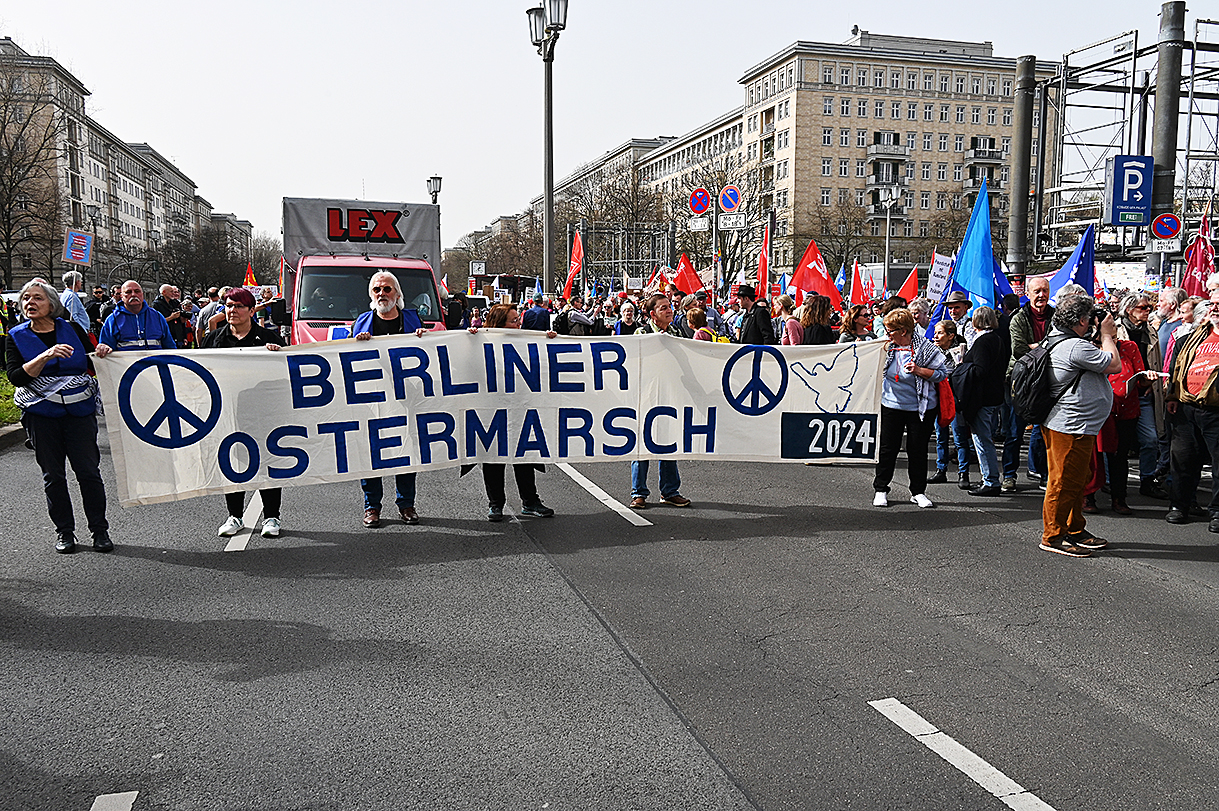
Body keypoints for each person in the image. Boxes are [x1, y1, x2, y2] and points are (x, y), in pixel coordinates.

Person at [5, 280, 110, 554]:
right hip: (41, 415)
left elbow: (89, 362)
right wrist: (46, 355)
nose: (30, 303)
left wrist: (101, 354)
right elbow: (16, 377)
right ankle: (65, 532)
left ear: (51, 304)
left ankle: (99, 531)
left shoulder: (71, 328)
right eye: (26, 298)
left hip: (78, 412)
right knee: (53, 476)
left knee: (88, 473)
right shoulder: (15, 336)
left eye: (37, 298)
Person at [1038, 293, 1121, 557]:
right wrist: (1107, 334)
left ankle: (1074, 528)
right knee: (1062, 482)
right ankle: (1052, 536)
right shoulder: (1075, 347)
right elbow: (1115, 364)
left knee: (1076, 479)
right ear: (1083, 320)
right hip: (1070, 426)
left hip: (1072, 425)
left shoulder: (1059, 339)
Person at [202, 288, 285, 539]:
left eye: (238, 306)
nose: (232, 310)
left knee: (267, 463)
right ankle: (234, 516)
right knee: (233, 464)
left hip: (262, 413)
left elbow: (285, 376)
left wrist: (277, 356)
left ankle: (271, 516)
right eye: (228, 305)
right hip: (227, 412)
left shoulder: (269, 338)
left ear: (251, 310)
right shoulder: (213, 340)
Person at [352, 271, 426, 528]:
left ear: (397, 294)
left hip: (406, 397)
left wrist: (424, 340)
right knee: (371, 453)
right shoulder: (361, 323)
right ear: (371, 294)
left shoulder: (413, 321)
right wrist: (357, 343)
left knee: (405, 449)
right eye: (377, 290)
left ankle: (406, 504)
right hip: (371, 398)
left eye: (387, 289)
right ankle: (371, 506)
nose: (381, 294)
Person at [474, 302, 556, 520]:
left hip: (520, 407)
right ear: (500, 324)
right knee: (493, 456)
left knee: (525, 454)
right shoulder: (481, 342)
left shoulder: (527, 341)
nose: (519, 323)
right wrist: (470, 339)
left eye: (518, 319)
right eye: (514, 320)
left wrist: (551, 342)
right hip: (490, 408)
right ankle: (496, 504)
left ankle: (530, 501)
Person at [872, 308, 948, 509]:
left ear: (903, 331)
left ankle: (918, 492)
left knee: (917, 450)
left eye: (890, 330)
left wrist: (919, 370)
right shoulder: (885, 346)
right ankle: (881, 489)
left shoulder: (926, 348)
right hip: (891, 405)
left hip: (920, 407)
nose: (887, 334)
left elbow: (943, 372)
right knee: (888, 449)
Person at [1164, 274, 1219, 530]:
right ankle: (1179, 505)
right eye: (1213, 304)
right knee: (1183, 460)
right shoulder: (1193, 337)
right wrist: (1172, 395)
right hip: (1187, 407)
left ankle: (1217, 511)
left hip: (1215, 411)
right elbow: (1178, 367)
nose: (1214, 309)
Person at [630, 293, 691, 509]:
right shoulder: (641, 333)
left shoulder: (676, 332)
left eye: (669, 306)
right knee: (642, 444)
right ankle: (639, 493)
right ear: (652, 314)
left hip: (669, 396)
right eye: (663, 308)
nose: (669, 310)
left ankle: (670, 490)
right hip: (646, 395)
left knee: (668, 443)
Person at [1004, 276, 1054, 491]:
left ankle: (1043, 474)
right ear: (1028, 293)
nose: (1041, 295)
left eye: (1044, 291)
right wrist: (1047, 348)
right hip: (1021, 380)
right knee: (1015, 432)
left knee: (1044, 430)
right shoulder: (1019, 317)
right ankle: (1008, 475)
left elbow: (1063, 343)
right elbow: (1019, 349)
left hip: (1046, 379)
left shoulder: (1056, 316)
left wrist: (1036, 346)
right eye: (1037, 291)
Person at [1115, 292, 1166, 499]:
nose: (1148, 311)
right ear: (1129, 310)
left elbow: (1155, 362)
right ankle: (1112, 483)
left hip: (1144, 394)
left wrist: (1152, 384)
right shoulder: (1115, 330)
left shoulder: (1151, 331)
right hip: (1120, 396)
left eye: (1149, 308)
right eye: (1143, 308)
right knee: (1118, 444)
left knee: (1151, 440)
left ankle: (1147, 480)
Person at [953, 307, 1008, 496]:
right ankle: (990, 478)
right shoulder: (997, 339)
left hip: (982, 398)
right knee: (984, 438)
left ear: (976, 321)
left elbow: (980, 370)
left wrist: (962, 367)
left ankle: (991, 480)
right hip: (994, 396)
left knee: (982, 440)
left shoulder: (983, 342)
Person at [928, 320, 970, 486]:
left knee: (959, 437)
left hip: (955, 399)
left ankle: (963, 473)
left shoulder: (962, 351)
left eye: (940, 333)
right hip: (938, 397)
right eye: (935, 333)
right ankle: (941, 469)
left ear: (951, 336)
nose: (935, 336)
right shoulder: (932, 350)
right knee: (941, 436)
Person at [95, 281, 177, 356]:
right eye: (128, 292)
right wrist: (103, 347)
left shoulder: (157, 317)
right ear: (121, 296)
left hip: (155, 369)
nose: (133, 294)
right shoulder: (112, 320)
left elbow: (170, 347)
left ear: (142, 294)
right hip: (127, 370)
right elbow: (106, 347)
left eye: (137, 291)